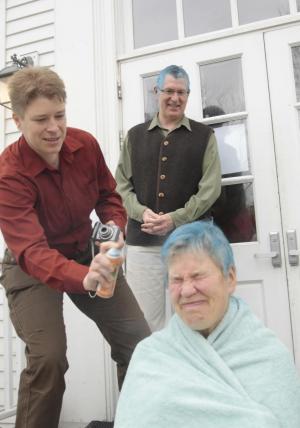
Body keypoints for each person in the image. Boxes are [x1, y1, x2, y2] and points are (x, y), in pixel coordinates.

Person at [0, 66, 150, 428]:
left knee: (140, 344)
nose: (54, 128)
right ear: (18, 121)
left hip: (85, 251)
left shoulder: (84, 145)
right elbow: (34, 252)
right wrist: (84, 277)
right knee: (49, 358)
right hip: (29, 265)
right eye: (40, 120)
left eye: (59, 115)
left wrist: (114, 227)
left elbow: (108, 195)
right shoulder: (8, 175)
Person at [114, 221, 300, 428]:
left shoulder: (269, 358)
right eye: (176, 280)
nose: (186, 291)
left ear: (230, 278)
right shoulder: (150, 357)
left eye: (197, 276)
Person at [115, 65, 221, 331]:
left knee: (193, 320)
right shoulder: (134, 136)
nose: (175, 98)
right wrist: (141, 213)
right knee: (144, 324)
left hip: (191, 243)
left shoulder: (204, 136)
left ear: (188, 95)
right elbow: (121, 185)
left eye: (182, 92)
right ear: (156, 92)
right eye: (169, 91)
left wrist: (175, 219)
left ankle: (192, 373)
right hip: (142, 244)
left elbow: (210, 189)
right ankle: (152, 373)